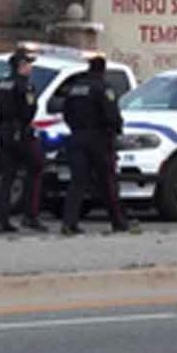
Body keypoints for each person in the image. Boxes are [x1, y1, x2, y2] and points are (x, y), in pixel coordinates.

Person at [0, 47, 48, 233]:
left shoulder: (2, 84)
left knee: (6, 178)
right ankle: (30, 216)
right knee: (37, 167)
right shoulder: (26, 86)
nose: (30, 68)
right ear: (20, 66)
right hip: (22, 135)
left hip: (4, 133)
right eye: (28, 64)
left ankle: (1, 221)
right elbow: (29, 112)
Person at [61, 54, 132, 236]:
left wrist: (76, 128)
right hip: (98, 139)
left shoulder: (75, 88)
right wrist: (116, 129)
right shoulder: (103, 88)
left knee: (77, 182)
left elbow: (66, 112)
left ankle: (69, 223)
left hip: (77, 137)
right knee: (107, 182)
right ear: (103, 70)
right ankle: (118, 221)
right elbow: (111, 115)